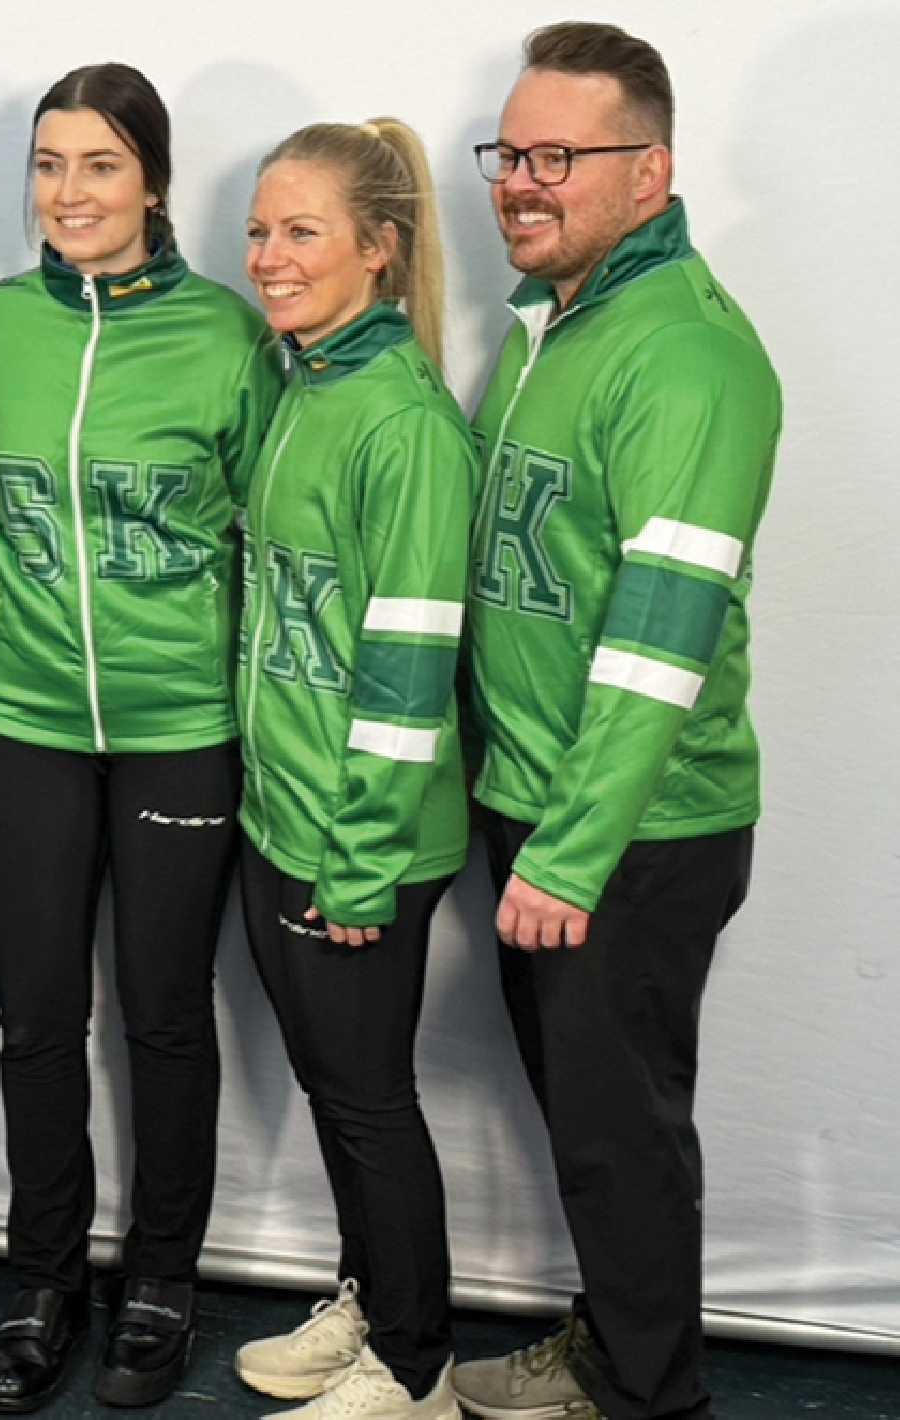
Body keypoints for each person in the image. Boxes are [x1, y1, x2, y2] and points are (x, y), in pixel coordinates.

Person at [453, 22, 782, 1420]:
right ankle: (610, 1345)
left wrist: (571, 854)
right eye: (510, 154)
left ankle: (654, 1396)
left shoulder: (689, 357)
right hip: (536, 801)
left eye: (557, 158)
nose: (521, 183)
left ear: (649, 173)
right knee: (592, 1132)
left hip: (631, 830)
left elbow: (658, 646)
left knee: (620, 1143)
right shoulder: (561, 324)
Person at [0, 61, 283, 1414]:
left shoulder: (229, 334)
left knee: (163, 1016)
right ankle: (45, 1276)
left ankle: (162, 1273)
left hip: (178, 732)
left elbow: (275, 545)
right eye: (47, 163)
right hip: (22, 725)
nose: (68, 191)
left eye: (98, 163)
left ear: (151, 178)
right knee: (37, 1021)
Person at [231, 121, 475, 1420]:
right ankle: (371, 1300)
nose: (268, 257)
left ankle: (419, 1367)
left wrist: (365, 861)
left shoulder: (405, 427)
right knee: (334, 1089)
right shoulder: (300, 386)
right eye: (261, 230)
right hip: (285, 814)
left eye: (302, 231)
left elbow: (406, 672)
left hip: (362, 835)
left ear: (380, 250)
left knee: (371, 1100)